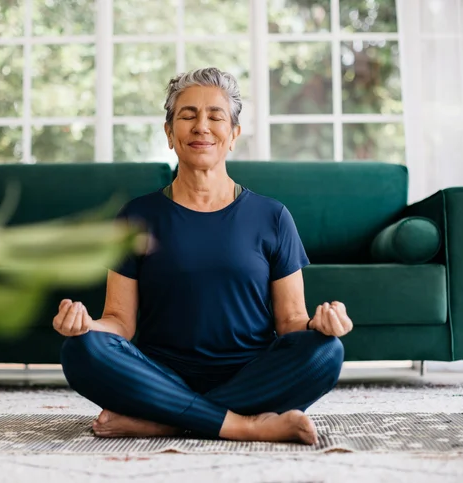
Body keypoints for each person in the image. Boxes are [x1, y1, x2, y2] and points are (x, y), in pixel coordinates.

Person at [54, 67, 353, 444]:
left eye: (215, 116)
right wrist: (86, 326)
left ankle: (166, 420)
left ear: (233, 135)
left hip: (251, 375)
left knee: (326, 352)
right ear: (169, 133)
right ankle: (243, 425)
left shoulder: (272, 216)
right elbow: (119, 322)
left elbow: (291, 321)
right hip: (159, 375)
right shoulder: (137, 216)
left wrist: (320, 325)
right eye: (187, 115)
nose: (202, 127)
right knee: (81, 350)